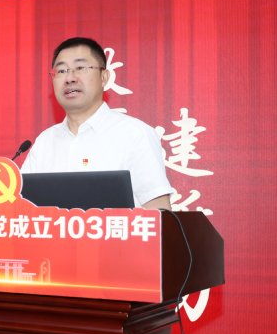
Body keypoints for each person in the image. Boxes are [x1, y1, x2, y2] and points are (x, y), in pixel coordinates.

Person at [20, 37, 173, 210]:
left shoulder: (134, 134)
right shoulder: (45, 141)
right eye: (61, 71)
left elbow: (159, 211)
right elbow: (21, 206)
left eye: (80, 68)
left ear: (104, 77)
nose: (70, 78)